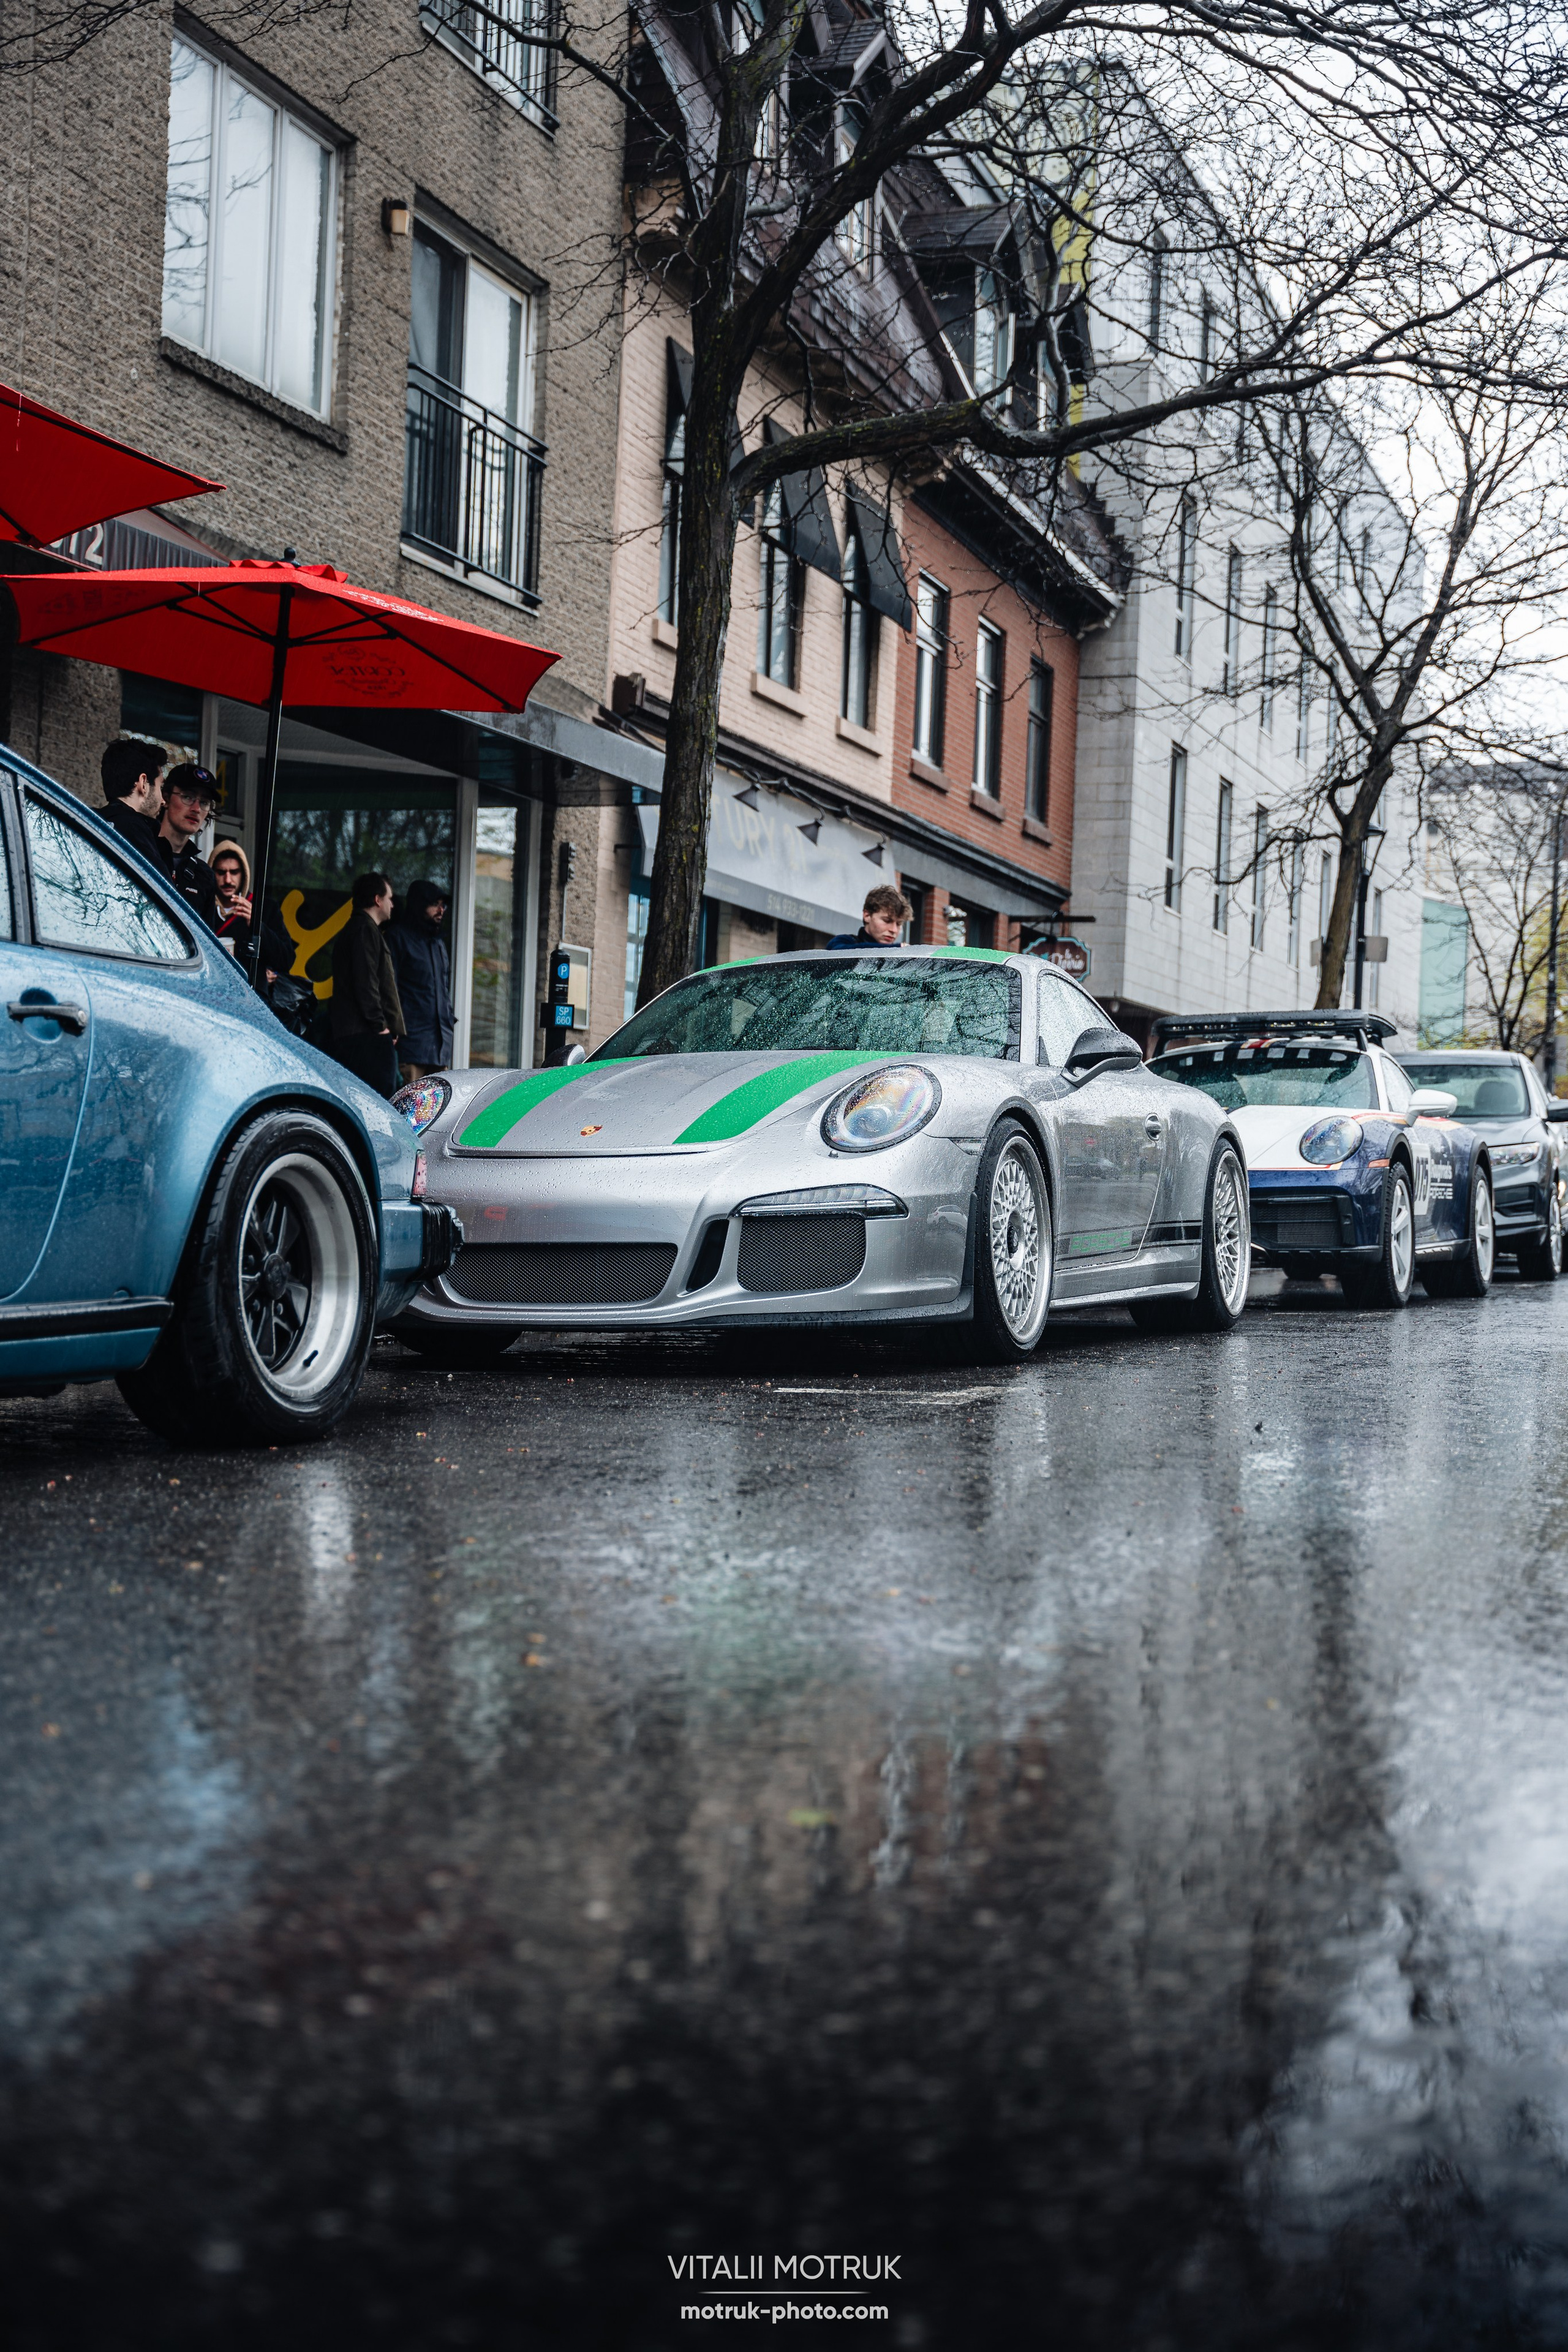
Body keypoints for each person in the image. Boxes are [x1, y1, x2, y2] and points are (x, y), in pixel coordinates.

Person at [330, 872, 405, 1098]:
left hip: (362, 1035)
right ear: (377, 900)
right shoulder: (364, 930)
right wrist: (380, 1026)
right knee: (380, 1106)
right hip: (365, 1037)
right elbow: (366, 983)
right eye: (389, 898)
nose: (393, 904)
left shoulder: (362, 929)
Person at [388, 879, 455, 1083]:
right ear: (419, 905)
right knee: (408, 1111)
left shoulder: (438, 944)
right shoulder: (397, 938)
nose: (441, 910)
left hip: (440, 1048)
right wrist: (393, 1029)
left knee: (443, 1113)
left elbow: (443, 991)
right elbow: (389, 989)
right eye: (435, 904)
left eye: (443, 905)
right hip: (411, 1047)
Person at [159, 763, 224, 932]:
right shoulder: (140, 851)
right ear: (165, 797)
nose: (196, 809)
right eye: (187, 797)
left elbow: (205, 946)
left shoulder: (204, 876)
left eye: (204, 802)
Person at [99, 739, 172, 876]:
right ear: (143, 784)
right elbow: (163, 894)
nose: (163, 801)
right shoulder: (135, 834)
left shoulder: (90, 823)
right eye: (160, 787)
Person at [826, 884, 913, 950]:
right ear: (867, 916)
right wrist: (896, 949)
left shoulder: (898, 960)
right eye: (887, 921)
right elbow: (839, 952)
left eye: (899, 924)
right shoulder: (843, 942)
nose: (894, 930)